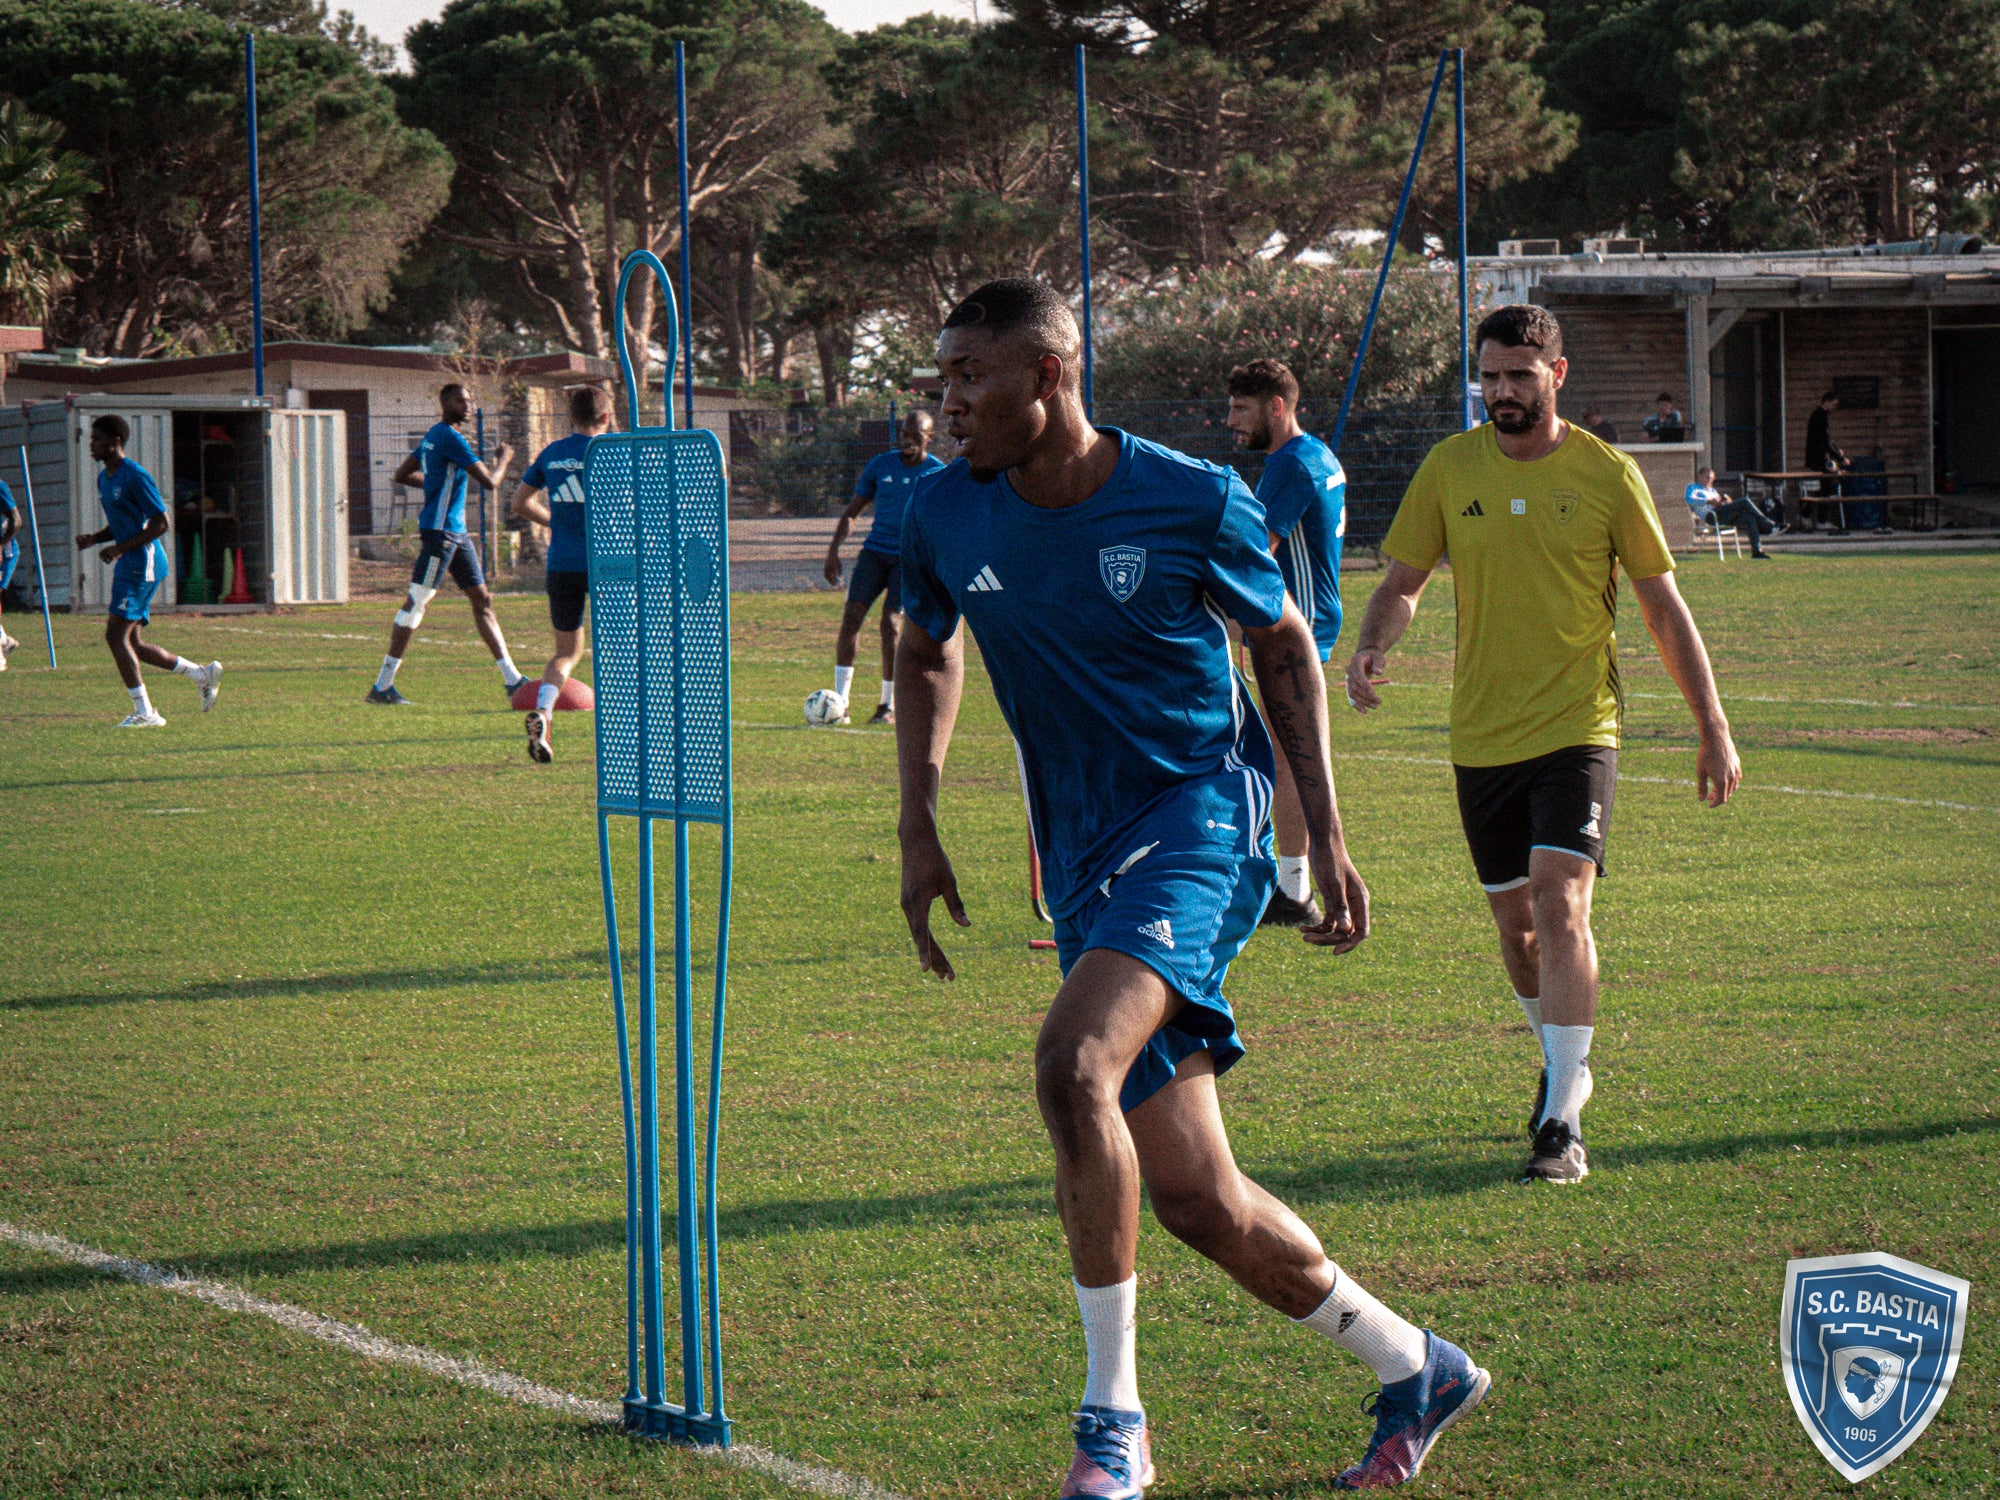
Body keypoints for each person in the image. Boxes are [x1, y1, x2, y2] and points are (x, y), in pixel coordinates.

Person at [898, 279, 1489, 1496]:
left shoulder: (1187, 496)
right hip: (1082, 862)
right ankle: (1415, 1365)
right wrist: (916, 819)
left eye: (969, 377)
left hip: (1200, 827)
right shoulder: (941, 514)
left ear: (1048, 379)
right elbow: (923, 647)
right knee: (1196, 1202)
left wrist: (1318, 838)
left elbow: (1282, 647)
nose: (947, 403)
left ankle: (1111, 1423)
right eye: (942, 377)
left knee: (1073, 1065)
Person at [1346, 305, 1741, 1185]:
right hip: (1481, 734)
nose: (1501, 391)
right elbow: (1403, 581)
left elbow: (1661, 606)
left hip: (1579, 726)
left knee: (1563, 905)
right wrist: (1376, 639)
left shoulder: (1607, 474)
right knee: (1517, 929)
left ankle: (1561, 1118)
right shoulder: (1451, 468)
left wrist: (1711, 726)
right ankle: (1568, 1061)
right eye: (1489, 375)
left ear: (1557, 377)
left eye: (1520, 375)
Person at [1224, 357, 1346, 927]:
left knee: (1291, 758)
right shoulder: (1315, 453)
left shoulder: (1290, 466)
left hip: (1295, 630)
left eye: (1242, 409)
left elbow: (1254, 555)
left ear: (1277, 407)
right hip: (1312, 620)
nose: (1232, 421)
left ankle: (1295, 889)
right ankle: (1290, 883)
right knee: (1285, 756)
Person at [368, 383, 521, 705]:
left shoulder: (432, 436)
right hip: (441, 534)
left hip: (457, 534)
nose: (467, 406)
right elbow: (491, 482)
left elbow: (402, 474)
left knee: (482, 600)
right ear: (445, 402)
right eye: (461, 401)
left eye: (469, 400)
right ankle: (382, 686)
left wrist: (435, 483)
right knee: (416, 602)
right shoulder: (451, 438)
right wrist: (504, 459)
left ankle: (513, 679)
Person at [72, 416, 222, 727]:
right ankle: (200, 674)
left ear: (116, 441)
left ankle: (146, 713)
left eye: (97, 439)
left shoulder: (135, 475)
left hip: (143, 563)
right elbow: (122, 523)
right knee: (133, 643)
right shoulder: (105, 478)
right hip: (131, 561)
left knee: (115, 636)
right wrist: (96, 539)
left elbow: (160, 523)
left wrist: (120, 548)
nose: (92, 444)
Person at [819, 410, 945, 726]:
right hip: (875, 553)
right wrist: (833, 551)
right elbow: (853, 511)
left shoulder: (937, 473)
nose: (907, 441)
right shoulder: (881, 465)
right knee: (851, 617)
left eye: (915, 435)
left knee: (890, 624)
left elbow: (947, 521)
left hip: (908, 559)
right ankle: (841, 704)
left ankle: (886, 706)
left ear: (929, 437)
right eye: (904, 434)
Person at [509, 385, 612, 763]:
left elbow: (519, 502)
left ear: (570, 416)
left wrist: (554, 522)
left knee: (565, 653)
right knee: (622, 649)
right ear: (605, 417)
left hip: (561, 565)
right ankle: (625, 726)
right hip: (607, 566)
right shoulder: (612, 453)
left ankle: (546, 713)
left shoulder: (552, 453)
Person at [1683, 467, 1775, 559]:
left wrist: (1725, 502)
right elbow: (1688, 499)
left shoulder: (1713, 491)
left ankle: (1757, 552)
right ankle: (1768, 524)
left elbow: (1720, 504)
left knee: (1749, 517)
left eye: (1711, 478)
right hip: (1711, 516)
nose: (1709, 480)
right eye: (1707, 477)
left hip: (1722, 514)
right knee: (1744, 501)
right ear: (1700, 476)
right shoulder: (1693, 488)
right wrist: (1708, 501)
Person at [0, 474, 20, 669]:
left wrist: (1, 545)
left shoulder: (0, 487)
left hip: (5, 554)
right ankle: (5, 641)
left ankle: (0, 655)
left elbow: (16, 520)